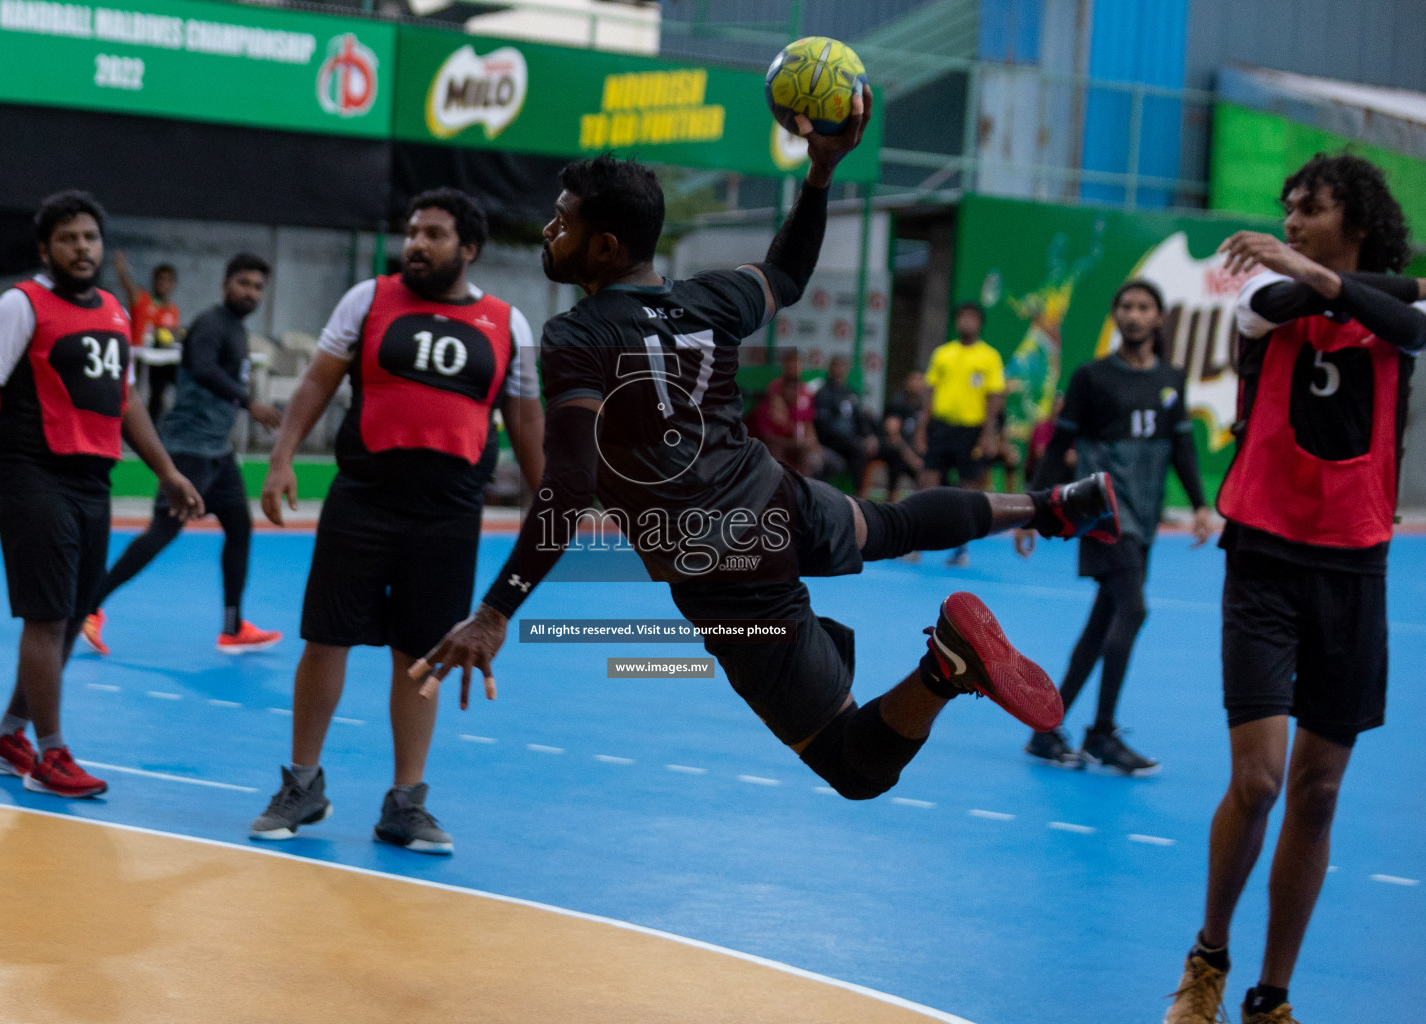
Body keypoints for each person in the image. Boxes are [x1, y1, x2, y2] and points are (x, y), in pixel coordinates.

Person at [408, 95, 1123, 818]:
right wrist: (820, 175)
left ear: (603, 247)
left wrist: (497, 610)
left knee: (854, 763)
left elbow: (566, 486)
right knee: (897, 525)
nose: (549, 229)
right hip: (775, 494)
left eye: (563, 219)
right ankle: (1056, 505)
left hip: (722, 563)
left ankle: (945, 667)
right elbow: (787, 273)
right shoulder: (704, 300)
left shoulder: (576, 336)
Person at [1165, 154, 1426, 1024]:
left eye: (1309, 209)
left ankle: (1270, 996)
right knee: (1262, 780)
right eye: (1286, 210)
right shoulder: (1263, 300)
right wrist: (1314, 277)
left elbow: (1412, 322)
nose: (1290, 223)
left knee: (1319, 791)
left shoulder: (1397, 316)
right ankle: (1207, 957)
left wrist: (1327, 279)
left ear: (1354, 219)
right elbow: (1268, 302)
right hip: (1266, 555)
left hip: (1355, 564)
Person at [249, 188, 545, 854]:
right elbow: (317, 383)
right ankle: (303, 785)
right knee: (325, 638)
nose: (417, 243)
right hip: (364, 500)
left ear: (468, 248)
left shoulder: (509, 323)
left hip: (448, 516)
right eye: (413, 231)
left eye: (434, 234)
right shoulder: (369, 298)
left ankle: (405, 805)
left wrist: (544, 505)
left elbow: (526, 422)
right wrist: (282, 458)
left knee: (422, 657)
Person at [0, 190, 203, 798]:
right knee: (46, 616)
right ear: (46, 250)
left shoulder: (116, 311)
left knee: (70, 612)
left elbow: (128, 399)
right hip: (32, 473)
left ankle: (7, 735)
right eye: (68, 238)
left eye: (90, 237)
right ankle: (51, 755)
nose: (82, 247)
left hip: (94, 479)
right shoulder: (20, 306)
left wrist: (166, 471)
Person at [1015, 279, 1214, 774]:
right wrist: (1029, 510)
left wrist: (1200, 506)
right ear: (1116, 314)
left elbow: (1183, 449)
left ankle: (1044, 730)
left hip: (1143, 520)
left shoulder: (1170, 379)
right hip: (1104, 516)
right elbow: (1056, 447)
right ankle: (1102, 733)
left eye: (1144, 307)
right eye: (1126, 306)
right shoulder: (1091, 377)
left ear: (1158, 318)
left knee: (1101, 624)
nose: (1134, 314)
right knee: (1135, 609)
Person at [81, 254, 286, 655]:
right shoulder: (211, 325)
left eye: (258, 287)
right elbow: (202, 367)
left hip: (218, 453)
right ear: (225, 283)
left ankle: (232, 627)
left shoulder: (237, 329)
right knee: (162, 533)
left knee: (240, 529)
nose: (251, 293)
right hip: (190, 449)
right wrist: (250, 403)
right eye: (244, 283)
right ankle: (88, 608)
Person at [916, 302, 1006, 566]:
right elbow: (929, 394)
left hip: (971, 431)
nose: (966, 322)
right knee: (926, 484)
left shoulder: (989, 357)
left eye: (972, 318)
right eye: (962, 317)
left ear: (979, 323)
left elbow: (994, 398)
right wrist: (922, 429)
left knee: (967, 491)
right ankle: (915, 543)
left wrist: (987, 435)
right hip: (941, 428)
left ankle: (960, 549)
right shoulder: (942, 354)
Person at [813, 354, 915, 498]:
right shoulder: (823, 393)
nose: (840, 369)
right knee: (858, 448)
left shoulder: (851, 392)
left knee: (893, 451)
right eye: (836, 366)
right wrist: (855, 440)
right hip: (833, 442)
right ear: (830, 368)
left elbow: (860, 419)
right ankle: (860, 495)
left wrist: (870, 436)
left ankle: (892, 497)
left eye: (842, 366)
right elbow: (823, 426)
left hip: (855, 441)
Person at [114, 252, 182, 423]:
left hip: (160, 364)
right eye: (160, 279)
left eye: (168, 281)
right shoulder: (142, 299)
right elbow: (128, 285)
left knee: (160, 391)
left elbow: (173, 338)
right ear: (154, 280)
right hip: (137, 358)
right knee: (131, 394)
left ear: (173, 285)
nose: (164, 284)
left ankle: (155, 426)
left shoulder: (173, 310)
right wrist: (122, 270)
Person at [750, 347, 829, 478]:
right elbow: (779, 420)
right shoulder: (775, 388)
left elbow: (808, 422)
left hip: (799, 441)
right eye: (791, 364)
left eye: (797, 364)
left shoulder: (806, 391)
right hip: (782, 440)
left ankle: (812, 492)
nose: (794, 368)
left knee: (818, 459)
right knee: (779, 453)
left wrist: (814, 443)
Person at [881, 369, 928, 499]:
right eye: (914, 379)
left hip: (913, 450)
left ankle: (923, 506)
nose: (917, 383)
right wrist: (912, 458)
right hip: (896, 448)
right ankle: (891, 502)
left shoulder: (924, 405)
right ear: (906, 382)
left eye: (920, 379)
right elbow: (893, 435)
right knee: (896, 457)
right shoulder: (898, 401)